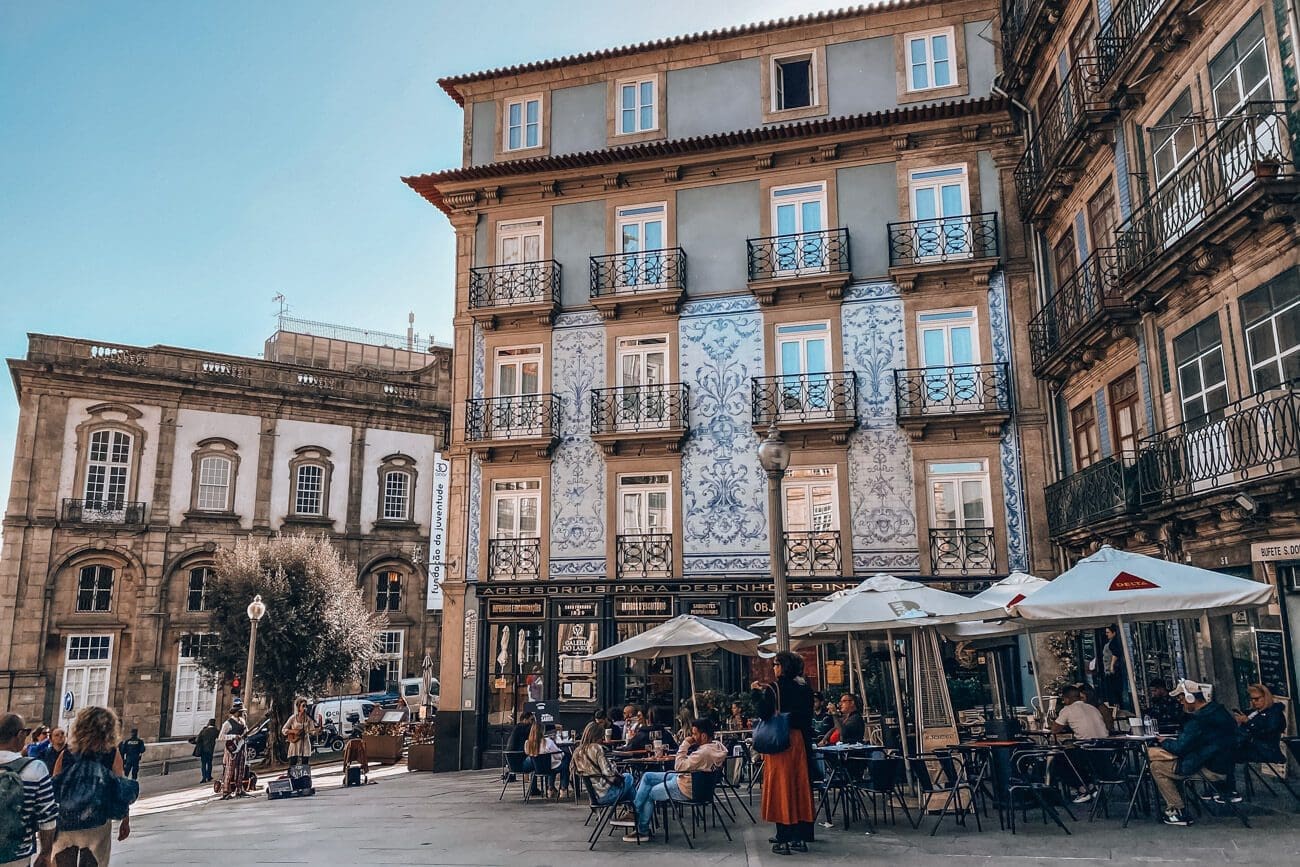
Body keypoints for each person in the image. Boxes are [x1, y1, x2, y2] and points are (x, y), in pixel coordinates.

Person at [1147, 679, 1237, 826]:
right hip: (1224, 765)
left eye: (1181, 699)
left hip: (1208, 766)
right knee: (1168, 765)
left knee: (1156, 767)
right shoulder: (1219, 712)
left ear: (1190, 698)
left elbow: (1180, 748)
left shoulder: (1198, 720)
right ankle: (1179, 805)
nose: (1180, 703)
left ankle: (1178, 810)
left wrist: (1164, 741)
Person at [624, 717, 727, 843]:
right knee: (647, 776)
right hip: (695, 783)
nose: (692, 737)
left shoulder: (703, 754)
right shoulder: (717, 747)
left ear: (704, 736)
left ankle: (642, 830)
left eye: (695, 734)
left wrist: (685, 744)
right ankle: (634, 810)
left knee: (649, 792)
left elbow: (678, 767)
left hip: (686, 788)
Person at [752, 651, 816, 854]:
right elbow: (807, 717)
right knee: (798, 786)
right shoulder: (805, 688)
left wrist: (755, 694)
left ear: (783, 666)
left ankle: (783, 838)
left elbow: (763, 712)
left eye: (776, 664)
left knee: (781, 787)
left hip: (780, 741)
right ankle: (799, 837)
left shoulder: (774, 687)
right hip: (799, 741)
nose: (774, 668)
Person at [51, 706, 132, 866]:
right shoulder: (111, 753)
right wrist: (125, 819)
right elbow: (120, 788)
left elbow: (53, 785)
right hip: (97, 821)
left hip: (67, 821)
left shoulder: (66, 752)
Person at [0, 713, 59, 867]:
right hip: (16, 856)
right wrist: (46, 853)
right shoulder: (35, 768)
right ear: (20, 735)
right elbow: (47, 818)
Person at [1051, 686, 1110, 803]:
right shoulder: (1092, 708)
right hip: (1106, 749)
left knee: (1058, 760)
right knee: (1070, 753)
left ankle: (1083, 788)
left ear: (1067, 699)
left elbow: (1054, 729)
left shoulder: (1067, 710)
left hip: (1088, 751)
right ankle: (1090, 787)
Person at [571, 722, 634, 815]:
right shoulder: (597, 748)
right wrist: (613, 767)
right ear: (597, 736)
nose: (603, 739)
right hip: (606, 794)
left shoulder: (577, 751)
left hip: (594, 797)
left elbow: (574, 773)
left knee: (629, 790)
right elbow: (608, 774)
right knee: (628, 777)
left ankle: (632, 813)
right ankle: (636, 814)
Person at [1233, 683, 1286, 764]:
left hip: (1264, 749)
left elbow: (1267, 732)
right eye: (1252, 699)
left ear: (1266, 698)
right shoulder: (1253, 712)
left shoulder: (1274, 713)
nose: (1254, 702)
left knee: (1226, 749)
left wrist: (1248, 722)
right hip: (1247, 744)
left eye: (1257, 699)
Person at [523, 720, 571, 799]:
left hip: (536, 769)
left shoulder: (527, 743)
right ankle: (563, 788)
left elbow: (528, 754)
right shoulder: (548, 742)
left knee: (552, 764)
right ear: (543, 731)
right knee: (565, 761)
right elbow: (559, 755)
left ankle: (550, 789)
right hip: (550, 767)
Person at [219, 704, 249, 800]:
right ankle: (226, 791)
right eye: (240, 711)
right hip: (232, 748)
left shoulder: (243, 721)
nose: (241, 713)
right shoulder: (227, 723)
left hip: (241, 746)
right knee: (230, 770)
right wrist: (233, 736)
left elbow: (246, 731)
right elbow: (221, 736)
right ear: (235, 712)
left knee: (241, 769)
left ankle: (239, 789)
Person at [281, 699, 317, 768]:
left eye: (306, 706)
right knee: (293, 763)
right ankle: (292, 777)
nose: (305, 708)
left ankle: (304, 777)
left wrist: (317, 732)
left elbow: (312, 730)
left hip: (305, 742)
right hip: (295, 743)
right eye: (303, 706)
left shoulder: (308, 718)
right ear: (298, 707)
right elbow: (284, 730)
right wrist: (294, 731)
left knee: (305, 763)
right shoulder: (293, 718)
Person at [189, 719, 218, 784]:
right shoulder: (215, 731)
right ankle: (209, 776)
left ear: (208, 723)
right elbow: (219, 736)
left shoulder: (204, 730)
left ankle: (204, 778)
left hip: (203, 749)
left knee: (203, 764)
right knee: (209, 763)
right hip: (210, 749)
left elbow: (197, 739)